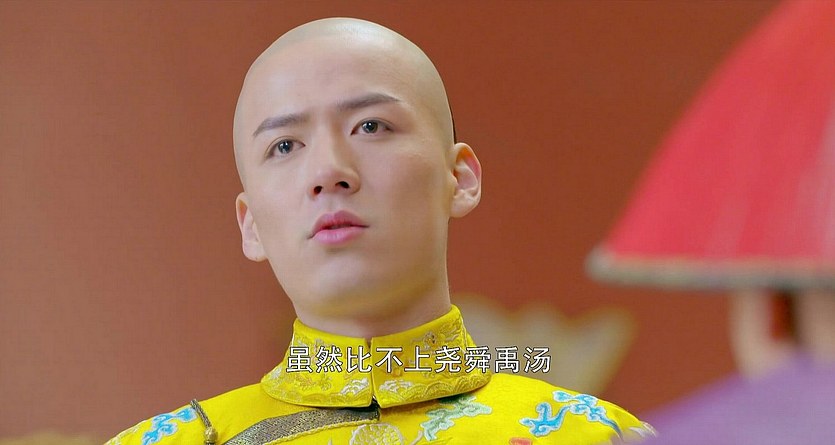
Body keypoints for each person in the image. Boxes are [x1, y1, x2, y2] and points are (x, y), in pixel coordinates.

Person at [106, 18, 653, 445]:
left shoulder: (597, 436)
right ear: (250, 225)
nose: (329, 171)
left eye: (370, 126)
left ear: (460, 178)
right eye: (285, 145)